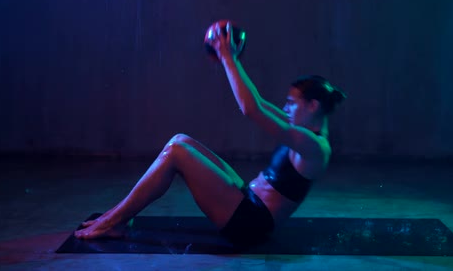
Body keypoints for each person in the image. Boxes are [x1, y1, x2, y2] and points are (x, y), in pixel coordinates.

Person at [74, 21, 346, 245]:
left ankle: (113, 222)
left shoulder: (315, 148)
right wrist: (232, 61)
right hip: (247, 200)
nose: (285, 108)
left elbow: (250, 110)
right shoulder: (301, 131)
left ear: (313, 105)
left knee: (177, 153)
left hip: (250, 223)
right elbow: (259, 103)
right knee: (179, 140)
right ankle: (117, 215)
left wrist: (228, 57)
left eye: (291, 103)